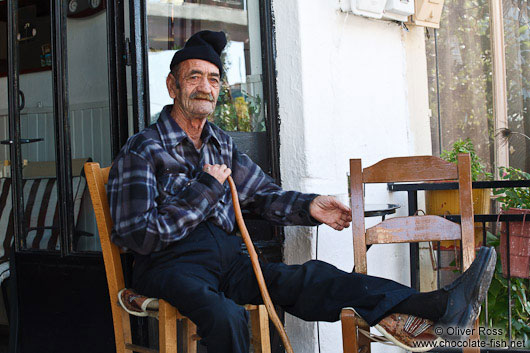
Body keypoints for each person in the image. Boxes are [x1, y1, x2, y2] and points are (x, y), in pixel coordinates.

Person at [108, 30, 496, 353]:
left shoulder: (220, 144)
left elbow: (262, 195)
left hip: (229, 263)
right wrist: (207, 188)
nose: (204, 87)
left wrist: (311, 207)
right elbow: (137, 235)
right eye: (193, 77)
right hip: (170, 266)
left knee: (314, 278)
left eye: (213, 79)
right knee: (226, 316)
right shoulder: (144, 149)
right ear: (172, 85)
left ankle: (438, 304)